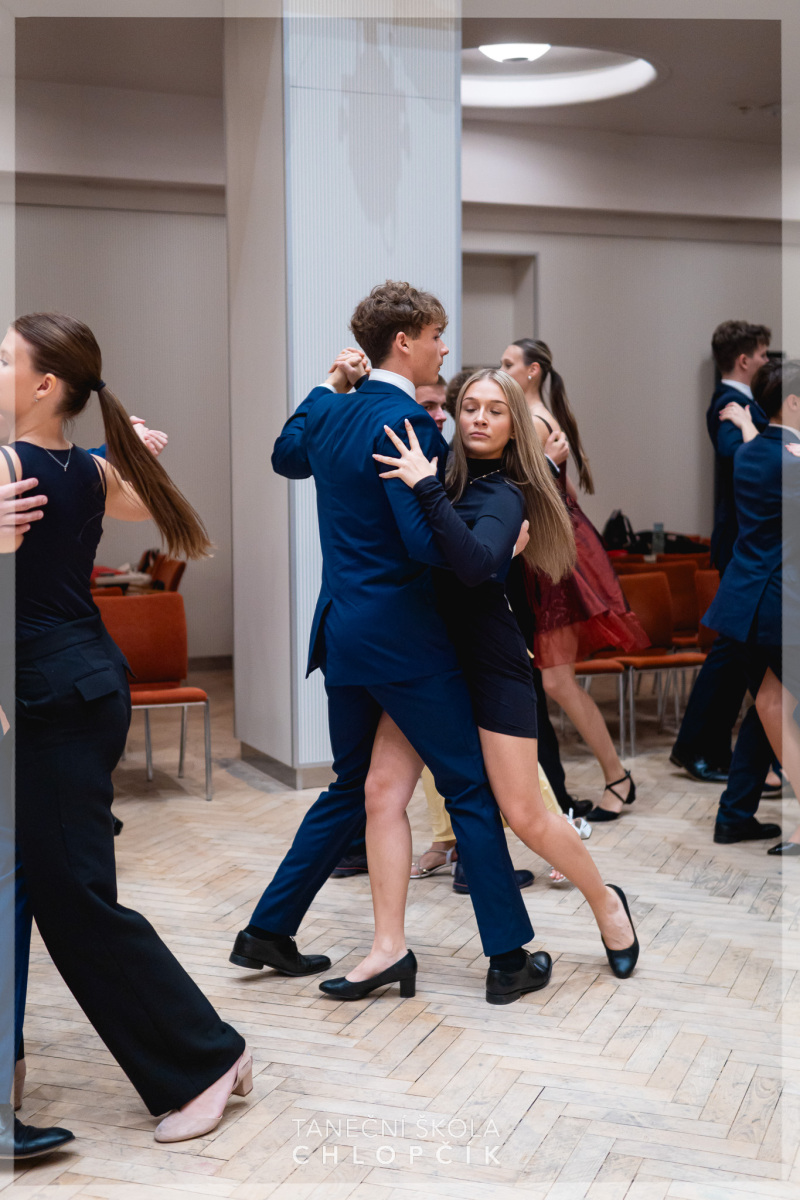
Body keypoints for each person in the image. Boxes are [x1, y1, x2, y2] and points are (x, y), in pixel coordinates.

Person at [231, 281, 552, 1007]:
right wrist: (491, 550)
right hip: (405, 639)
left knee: (352, 786)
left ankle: (268, 930)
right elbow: (422, 542)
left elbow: (286, 456)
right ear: (405, 342)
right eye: (437, 335)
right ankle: (508, 957)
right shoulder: (406, 420)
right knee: (467, 788)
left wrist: (326, 383)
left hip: (344, 632)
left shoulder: (333, 410)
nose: (444, 347)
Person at [0, 312, 251, 1146]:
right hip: (82, 686)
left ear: (44, 384)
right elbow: (138, 503)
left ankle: (207, 1059)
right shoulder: (84, 467)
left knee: (76, 901)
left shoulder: (14, 464)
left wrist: (122, 451)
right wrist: (125, 451)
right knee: (38, 887)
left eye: (3, 358)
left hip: (53, 701)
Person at [318, 369, 637, 1003]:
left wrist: (425, 487)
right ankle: (388, 949)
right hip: (427, 659)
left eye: (495, 409)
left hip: (490, 665)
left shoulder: (505, 493)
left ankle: (606, 902)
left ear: (514, 425)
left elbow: (474, 564)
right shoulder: (437, 471)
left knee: (524, 813)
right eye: (470, 407)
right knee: (381, 792)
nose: (480, 419)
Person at [499, 340, 648, 821]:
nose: (500, 370)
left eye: (508, 364)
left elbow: (531, 492)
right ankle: (611, 777)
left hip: (553, 558)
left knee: (558, 682)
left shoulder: (535, 421)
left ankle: (617, 777)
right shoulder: (540, 417)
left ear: (532, 371)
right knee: (555, 681)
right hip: (551, 553)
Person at [670, 320, 783, 798]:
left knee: (739, 655)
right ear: (743, 359)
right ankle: (700, 747)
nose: (767, 361)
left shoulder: (746, 405)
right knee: (731, 653)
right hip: (746, 546)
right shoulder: (728, 404)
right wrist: (753, 427)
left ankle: (726, 755)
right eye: (762, 354)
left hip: (754, 550)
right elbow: (741, 459)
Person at [703, 358, 800, 848]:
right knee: (775, 706)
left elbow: (763, 451)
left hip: (744, 604)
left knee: (769, 706)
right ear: (794, 402)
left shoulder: (749, 454)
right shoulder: (792, 461)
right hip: (781, 605)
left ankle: (734, 815)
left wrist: (747, 425)